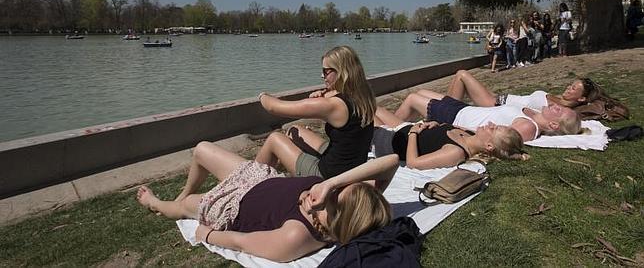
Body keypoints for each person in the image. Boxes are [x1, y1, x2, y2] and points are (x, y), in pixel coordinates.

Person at [137, 142, 398, 263]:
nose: (329, 189)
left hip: (232, 205)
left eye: (334, 195)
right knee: (202, 149)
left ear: (340, 217)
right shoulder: (337, 194)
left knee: (184, 208)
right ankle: (183, 193)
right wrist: (331, 183)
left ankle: (158, 204)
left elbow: (240, 242)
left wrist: (208, 234)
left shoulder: (297, 236)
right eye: (340, 185)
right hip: (257, 178)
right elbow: (392, 162)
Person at [255, 46, 376, 179]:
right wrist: (324, 96)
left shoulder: (333, 105)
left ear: (341, 71)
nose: (321, 75)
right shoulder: (364, 96)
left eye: (325, 71)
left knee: (275, 139)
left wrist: (262, 95)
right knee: (294, 130)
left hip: (329, 177)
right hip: (354, 167)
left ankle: (249, 184)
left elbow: (274, 107)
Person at [394, 90, 581, 143]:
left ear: (554, 125)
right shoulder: (532, 115)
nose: (556, 105)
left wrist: (450, 129)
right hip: (463, 108)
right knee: (421, 91)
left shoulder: (528, 127)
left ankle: (390, 132)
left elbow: (492, 140)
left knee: (412, 98)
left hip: (455, 118)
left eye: (559, 111)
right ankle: (395, 125)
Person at [371, 107, 527, 169]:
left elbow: (413, 163)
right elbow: (443, 128)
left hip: (389, 142)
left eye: (494, 129)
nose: (491, 124)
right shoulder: (471, 134)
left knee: (363, 111)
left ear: (489, 146)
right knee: (375, 108)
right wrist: (435, 124)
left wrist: (413, 133)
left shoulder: (455, 152)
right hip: (402, 129)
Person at [445, 69, 601, 109]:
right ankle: (445, 107)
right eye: (570, 85)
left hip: (495, 104)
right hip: (499, 97)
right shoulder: (561, 100)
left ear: (581, 98)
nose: (568, 87)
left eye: (573, 88)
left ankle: (444, 114)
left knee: (462, 75)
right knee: (457, 79)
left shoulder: (560, 107)